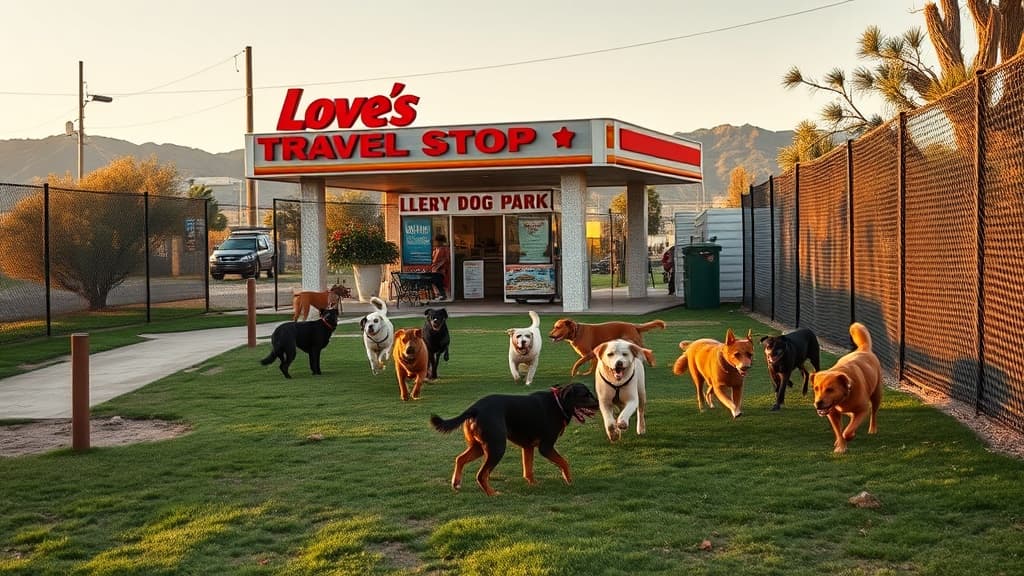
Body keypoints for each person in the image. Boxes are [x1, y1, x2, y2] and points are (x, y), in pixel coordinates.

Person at [426, 233, 450, 301]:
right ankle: (437, 294)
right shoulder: (435, 249)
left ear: (440, 241)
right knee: (434, 282)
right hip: (434, 269)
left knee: (438, 282)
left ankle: (441, 294)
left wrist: (439, 266)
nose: (435, 242)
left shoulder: (444, 249)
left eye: (436, 241)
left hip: (440, 270)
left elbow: (446, 259)